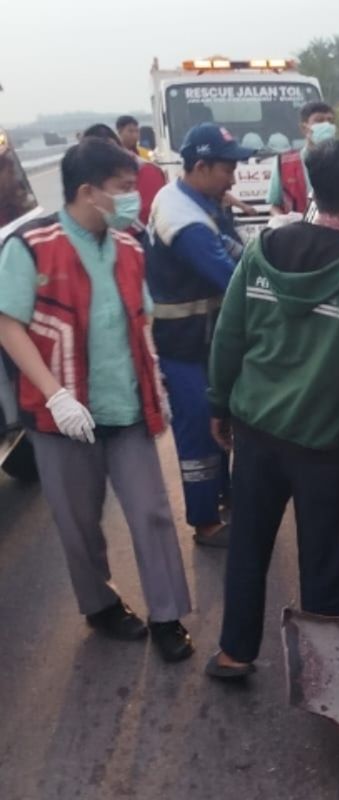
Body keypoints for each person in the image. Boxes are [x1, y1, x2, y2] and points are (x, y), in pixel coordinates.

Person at [205, 138, 339, 680]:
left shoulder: (263, 248)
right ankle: (322, 675)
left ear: (315, 191)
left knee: (248, 544)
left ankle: (234, 653)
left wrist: (219, 402)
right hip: (326, 446)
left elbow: (230, 334)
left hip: (256, 431)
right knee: (326, 561)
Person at [0, 138, 193, 662]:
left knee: (152, 512)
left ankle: (167, 615)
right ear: (88, 191)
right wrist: (56, 395)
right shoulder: (31, 246)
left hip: (126, 409)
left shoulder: (129, 245)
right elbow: (9, 323)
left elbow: (142, 319)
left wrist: (157, 385)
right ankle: (100, 604)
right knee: (78, 521)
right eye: (124, 188)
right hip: (61, 418)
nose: (134, 198)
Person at [146, 123, 255, 548]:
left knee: (218, 421)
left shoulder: (192, 198)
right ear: (202, 166)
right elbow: (234, 281)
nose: (234, 179)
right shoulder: (186, 223)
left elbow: (236, 249)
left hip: (204, 341)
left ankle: (223, 494)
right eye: (228, 170)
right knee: (198, 430)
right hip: (185, 345)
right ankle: (205, 521)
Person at [266, 101, 336, 217]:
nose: (327, 126)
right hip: (298, 227)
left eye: (330, 121)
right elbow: (275, 206)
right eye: (319, 121)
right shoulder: (284, 163)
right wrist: (283, 220)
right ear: (304, 128)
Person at [93, 121, 166, 228]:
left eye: (136, 131)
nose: (135, 135)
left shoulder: (147, 169)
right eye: (131, 131)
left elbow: (147, 215)